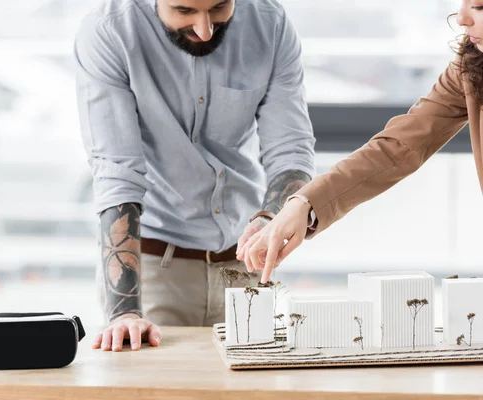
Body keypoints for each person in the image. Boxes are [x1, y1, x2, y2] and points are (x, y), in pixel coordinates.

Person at [74, 0, 316, 351]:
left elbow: (290, 150)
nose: (205, 30)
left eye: (219, 8)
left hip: (246, 261)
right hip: (154, 270)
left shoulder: (270, 24)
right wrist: (125, 313)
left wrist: (270, 219)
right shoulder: (109, 31)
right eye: (184, 11)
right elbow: (117, 170)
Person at [237, 0, 483, 285]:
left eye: (479, 7)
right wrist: (304, 205)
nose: (462, 19)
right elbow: (398, 147)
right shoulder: (470, 65)